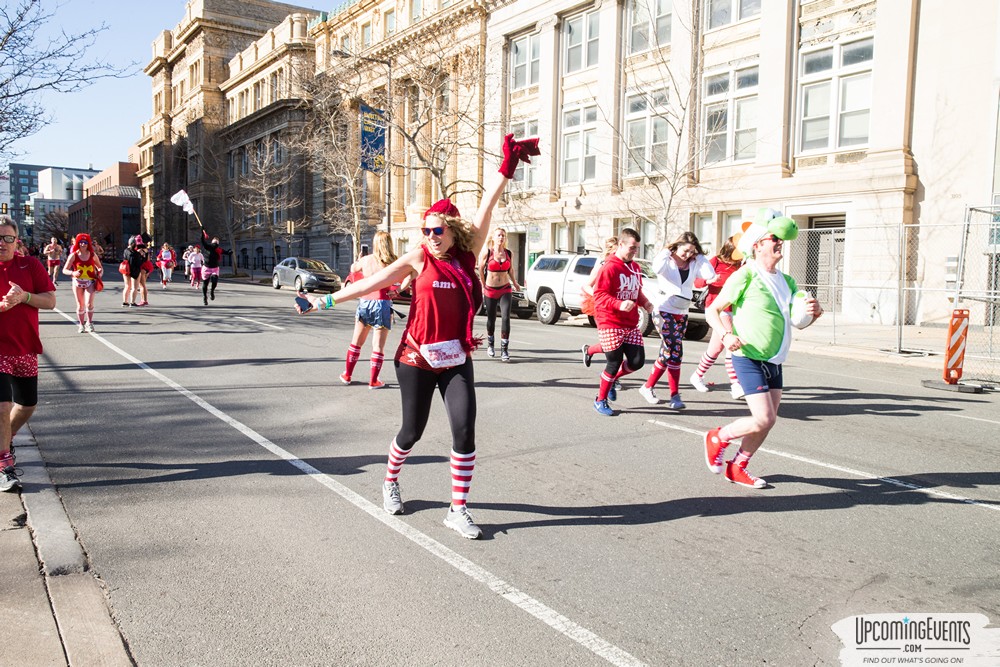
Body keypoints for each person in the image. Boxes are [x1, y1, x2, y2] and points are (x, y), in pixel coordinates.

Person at [299, 133, 539, 539]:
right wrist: (321, 302)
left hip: (456, 357)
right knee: (412, 431)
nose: (430, 234)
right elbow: (368, 284)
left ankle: (457, 508)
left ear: (452, 231)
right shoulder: (417, 259)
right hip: (415, 358)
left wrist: (507, 166)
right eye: (426, 229)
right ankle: (390, 480)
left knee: (464, 430)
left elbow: (488, 205)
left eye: (437, 229)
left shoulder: (467, 255)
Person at [703, 209, 823, 489]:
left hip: (775, 360)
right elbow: (713, 309)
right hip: (748, 356)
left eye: (780, 239)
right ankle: (718, 436)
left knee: (768, 422)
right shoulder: (745, 275)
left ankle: (737, 466)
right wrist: (725, 333)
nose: (780, 242)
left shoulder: (788, 282)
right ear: (757, 244)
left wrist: (814, 312)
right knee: (764, 417)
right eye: (774, 238)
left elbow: (799, 322)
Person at [0, 216, 57, 492]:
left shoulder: (30, 265)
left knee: (27, 406)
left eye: (7, 237)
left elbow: (50, 299)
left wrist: (24, 298)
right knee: (2, 406)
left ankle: (4, 440)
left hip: (25, 348)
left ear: (16, 241)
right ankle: (4, 466)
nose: (2, 242)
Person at [637, 232, 716, 409]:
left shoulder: (695, 262)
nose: (687, 255)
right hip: (663, 311)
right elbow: (656, 268)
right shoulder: (667, 261)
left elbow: (709, 274)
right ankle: (675, 396)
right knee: (676, 352)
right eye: (685, 250)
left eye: (691, 252)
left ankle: (647, 387)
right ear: (677, 246)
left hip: (682, 312)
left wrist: (700, 255)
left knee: (667, 354)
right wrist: (667, 249)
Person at [590, 228, 654, 416]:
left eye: (637, 249)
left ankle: (611, 380)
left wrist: (645, 303)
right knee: (614, 361)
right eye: (632, 248)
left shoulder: (634, 267)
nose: (635, 252)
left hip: (630, 322)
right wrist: (618, 304)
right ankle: (600, 400)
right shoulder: (609, 267)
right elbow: (599, 295)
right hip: (610, 320)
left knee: (636, 362)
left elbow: (636, 291)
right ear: (621, 245)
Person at [339, 230, 407, 389]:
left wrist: (358, 260)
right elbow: (407, 278)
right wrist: (396, 290)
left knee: (356, 342)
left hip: (365, 302)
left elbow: (353, 269)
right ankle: (373, 380)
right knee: (378, 346)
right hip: (383, 303)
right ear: (389, 244)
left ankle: (347, 375)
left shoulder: (366, 260)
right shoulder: (394, 262)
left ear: (375, 244)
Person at [690, 236, 745, 398]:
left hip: (733, 309)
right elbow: (697, 282)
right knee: (731, 346)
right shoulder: (715, 261)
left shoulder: (741, 265)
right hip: (717, 309)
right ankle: (736, 385)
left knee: (715, 349)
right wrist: (710, 279)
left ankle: (697, 376)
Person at [478, 227, 521, 361]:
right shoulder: (487, 252)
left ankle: (504, 350)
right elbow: (480, 268)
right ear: (493, 237)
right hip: (490, 289)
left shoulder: (508, 253)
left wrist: (515, 283)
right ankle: (491, 345)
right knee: (491, 319)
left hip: (505, 288)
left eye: (503, 235)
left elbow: (511, 270)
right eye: (498, 235)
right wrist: (483, 284)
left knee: (505, 318)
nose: (501, 238)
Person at [580, 236, 617, 368]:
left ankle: (589, 350)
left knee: (617, 344)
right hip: (602, 307)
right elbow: (587, 285)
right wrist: (599, 297)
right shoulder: (603, 264)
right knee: (611, 345)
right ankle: (613, 377)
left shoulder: (625, 265)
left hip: (618, 307)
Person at [61, 233, 104, 333]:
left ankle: (89, 322)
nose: (83, 244)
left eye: (85, 242)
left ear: (88, 243)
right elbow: (64, 270)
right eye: (81, 242)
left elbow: (99, 267)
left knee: (89, 304)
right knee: (80, 305)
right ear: (77, 243)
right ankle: (81, 324)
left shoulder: (92, 255)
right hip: (77, 282)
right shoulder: (74, 255)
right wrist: (73, 272)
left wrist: (100, 273)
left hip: (90, 281)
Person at [200, 230, 227, 305]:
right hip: (206, 268)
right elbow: (202, 240)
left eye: (216, 243)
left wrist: (229, 252)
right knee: (205, 284)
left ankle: (212, 291)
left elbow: (225, 252)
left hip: (215, 268)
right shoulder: (207, 247)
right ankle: (205, 296)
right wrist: (202, 232)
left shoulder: (218, 250)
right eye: (214, 242)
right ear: (212, 243)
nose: (215, 244)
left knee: (214, 280)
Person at [122, 237, 145, 307]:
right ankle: (132, 302)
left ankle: (125, 302)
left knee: (127, 286)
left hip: (126, 270)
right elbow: (139, 263)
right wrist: (142, 256)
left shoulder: (125, 251)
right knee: (134, 287)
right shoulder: (136, 254)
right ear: (133, 244)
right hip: (135, 271)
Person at [135, 235, 151, 306]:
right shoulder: (145, 249)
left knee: (141, 284)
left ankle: (144, 300)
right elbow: (148, 259)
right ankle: (144, 299)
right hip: (147, 266)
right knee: (143, 284)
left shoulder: (138, 249)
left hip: (141, 266)